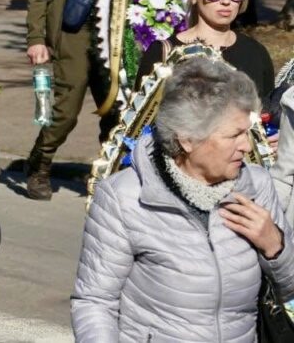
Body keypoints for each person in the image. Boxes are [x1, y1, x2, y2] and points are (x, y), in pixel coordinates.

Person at [72, 58, 294, 342]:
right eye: (234, 135)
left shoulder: (256, 186)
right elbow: (94, 302)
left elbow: (290, 294)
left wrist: (276, 247)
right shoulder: (125, 196)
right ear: (188, 140)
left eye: (246, 132)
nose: (246, 146)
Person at [25, 0, 113, 200]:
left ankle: (113, 170)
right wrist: (36, 38)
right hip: (71, 33)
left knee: (115, 107)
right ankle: (40, 164)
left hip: (110, 34)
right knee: (66, 109)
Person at [135, 0, 273, 99]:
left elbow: (269, 114)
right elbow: (142, 117)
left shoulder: (256, 53)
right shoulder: (163, 54)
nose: (226, 1)